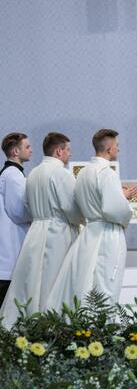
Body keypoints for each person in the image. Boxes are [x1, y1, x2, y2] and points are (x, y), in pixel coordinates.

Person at [46, 129, 137, 309]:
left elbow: (85, 203)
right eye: (117, 146)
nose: (118, 149)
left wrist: (119, 197)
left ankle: (88, 327)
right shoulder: (107, 173)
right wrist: (123, 201)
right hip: (107, 233)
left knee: (89, 283)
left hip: (90, 233)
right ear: (110, 148)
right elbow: (113, 209)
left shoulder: (83, 173)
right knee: (106, 284)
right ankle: (103, 328)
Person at [1, 133, 84, 327]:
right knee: (54, 282)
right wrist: (82, 219)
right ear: (59, 151)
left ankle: (31, 321)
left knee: (34, 281)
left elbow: (29, 204)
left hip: (36, 231)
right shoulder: (61, 173)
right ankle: (52, 324)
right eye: (68, 150)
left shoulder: (34, 173)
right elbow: (71, 208)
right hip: (58, 231)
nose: (69, 155)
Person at [0, 133, 32, 309]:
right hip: (9, 252)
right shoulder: (13, 175)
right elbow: (18, 212)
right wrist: (38, 216)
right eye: (27, 147)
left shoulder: (10, 173)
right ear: (15, 151)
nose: (31, 150)